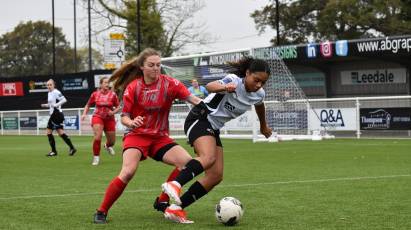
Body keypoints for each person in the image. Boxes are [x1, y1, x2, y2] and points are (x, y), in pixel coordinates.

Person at [93, 48, 203, 224]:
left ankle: (162, 200)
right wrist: (131, 123)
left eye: (158, 65)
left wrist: (209, 106)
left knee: (188, 164)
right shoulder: (133, 87)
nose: (156, 68)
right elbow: (124, 116)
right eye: (151, 65)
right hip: (136, 136)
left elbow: (194, 100)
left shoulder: (170, 84)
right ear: (142, 67)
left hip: (159, 138)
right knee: (128, 172)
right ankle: (101, 211)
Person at [159, 57, 273, 221]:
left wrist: (263, 126)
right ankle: (174, 185)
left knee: (215, 176)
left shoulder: (259, 94)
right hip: (200, 118)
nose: (259, 85)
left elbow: (260, 105)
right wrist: (225, 88)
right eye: (256, 80)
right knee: (208, 157)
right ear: (247, 73)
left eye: (263, 82)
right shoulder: (234, 81)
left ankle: (175, 208)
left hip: (213, 128)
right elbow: (210, 86)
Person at [81, 77, 120, 165]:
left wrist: (112, 112)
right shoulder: (95, 94)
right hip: (97, 116)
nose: (107, 84)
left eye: (108, 83)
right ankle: (96, 158)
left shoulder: (113, 95)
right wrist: (84, 114)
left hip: (109, 119)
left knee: (112, 142)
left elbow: (118, 107)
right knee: (98, 136)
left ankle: (107, 146)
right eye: (105, 82)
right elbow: (87, 105)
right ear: (101, 84)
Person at [41, 79, 77, 157]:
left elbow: (64, 100)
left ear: (54, 85)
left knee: (49, 132)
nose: (49, 86)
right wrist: (46, 105)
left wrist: (56, 105)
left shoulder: (56, 92)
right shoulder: (49, 93)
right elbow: (51, 104)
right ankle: (72, 148)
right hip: (54, 114)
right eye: (48, 85)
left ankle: (54, 151)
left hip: (56, 114)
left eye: (50, 85)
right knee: (60, 132)